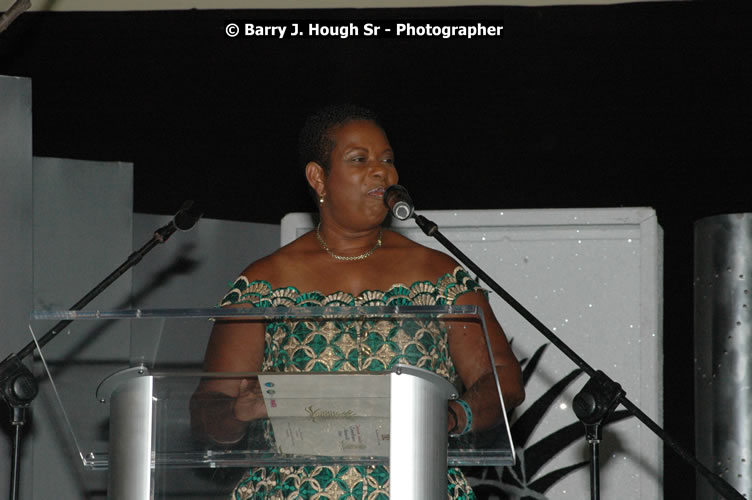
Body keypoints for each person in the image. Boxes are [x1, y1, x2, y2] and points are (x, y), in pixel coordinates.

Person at [191, 104, 524, 499]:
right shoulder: (264, 282)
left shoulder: (437, 274)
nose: (382, 171)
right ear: (318, 178)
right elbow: (207, 407)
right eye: (359, 160)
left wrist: (452, 416)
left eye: (387, 159)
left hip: (416, 488)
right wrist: (237, 413)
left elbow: (501, 377)